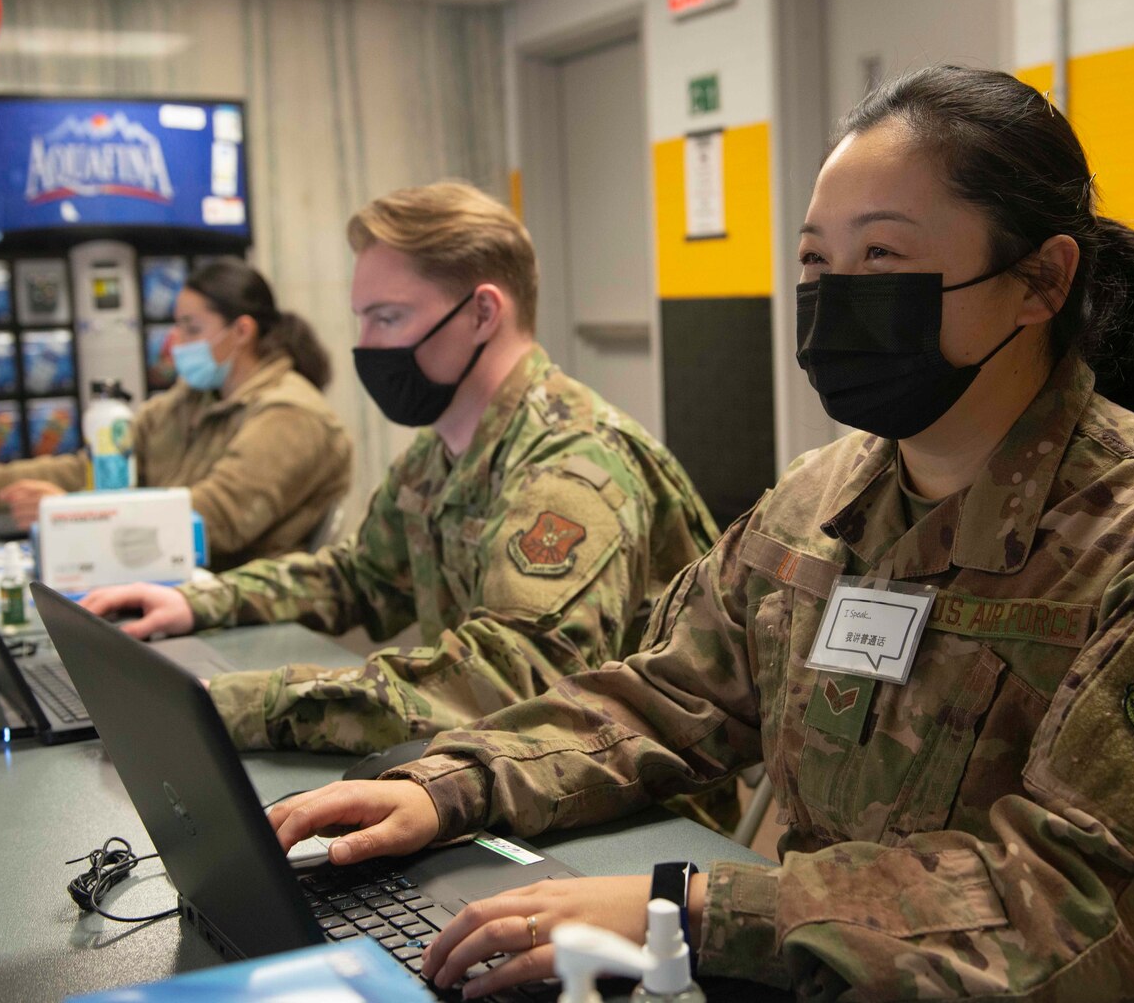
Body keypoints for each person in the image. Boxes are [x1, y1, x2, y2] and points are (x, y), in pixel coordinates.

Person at [261, 68, 1134, 1001]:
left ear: (1041, 280)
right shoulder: (818, 502)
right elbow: (668, 697)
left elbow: (1082, 911)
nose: (838, 299)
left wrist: (687, 910)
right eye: (820, 263)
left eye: (883, 259)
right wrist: (450, 783)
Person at [81, 184, 726, 812]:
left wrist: (245, 703)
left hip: (635, 808)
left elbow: (509, 680)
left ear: (482, 313)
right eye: (362, 318)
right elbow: (359, 577)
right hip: (513, 771)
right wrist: (195, 602)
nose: (366, 345)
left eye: (388, 317)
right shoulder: (443, 446)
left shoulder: (572, 466)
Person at [0, 261, 353, 572]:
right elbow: (90, 467)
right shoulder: (190, 401)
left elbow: (213, 522)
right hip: (170, 588)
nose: (174, 344)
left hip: (242, 615)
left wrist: (72, 514)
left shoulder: (291, 416)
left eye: (190, 327)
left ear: (241, 331)